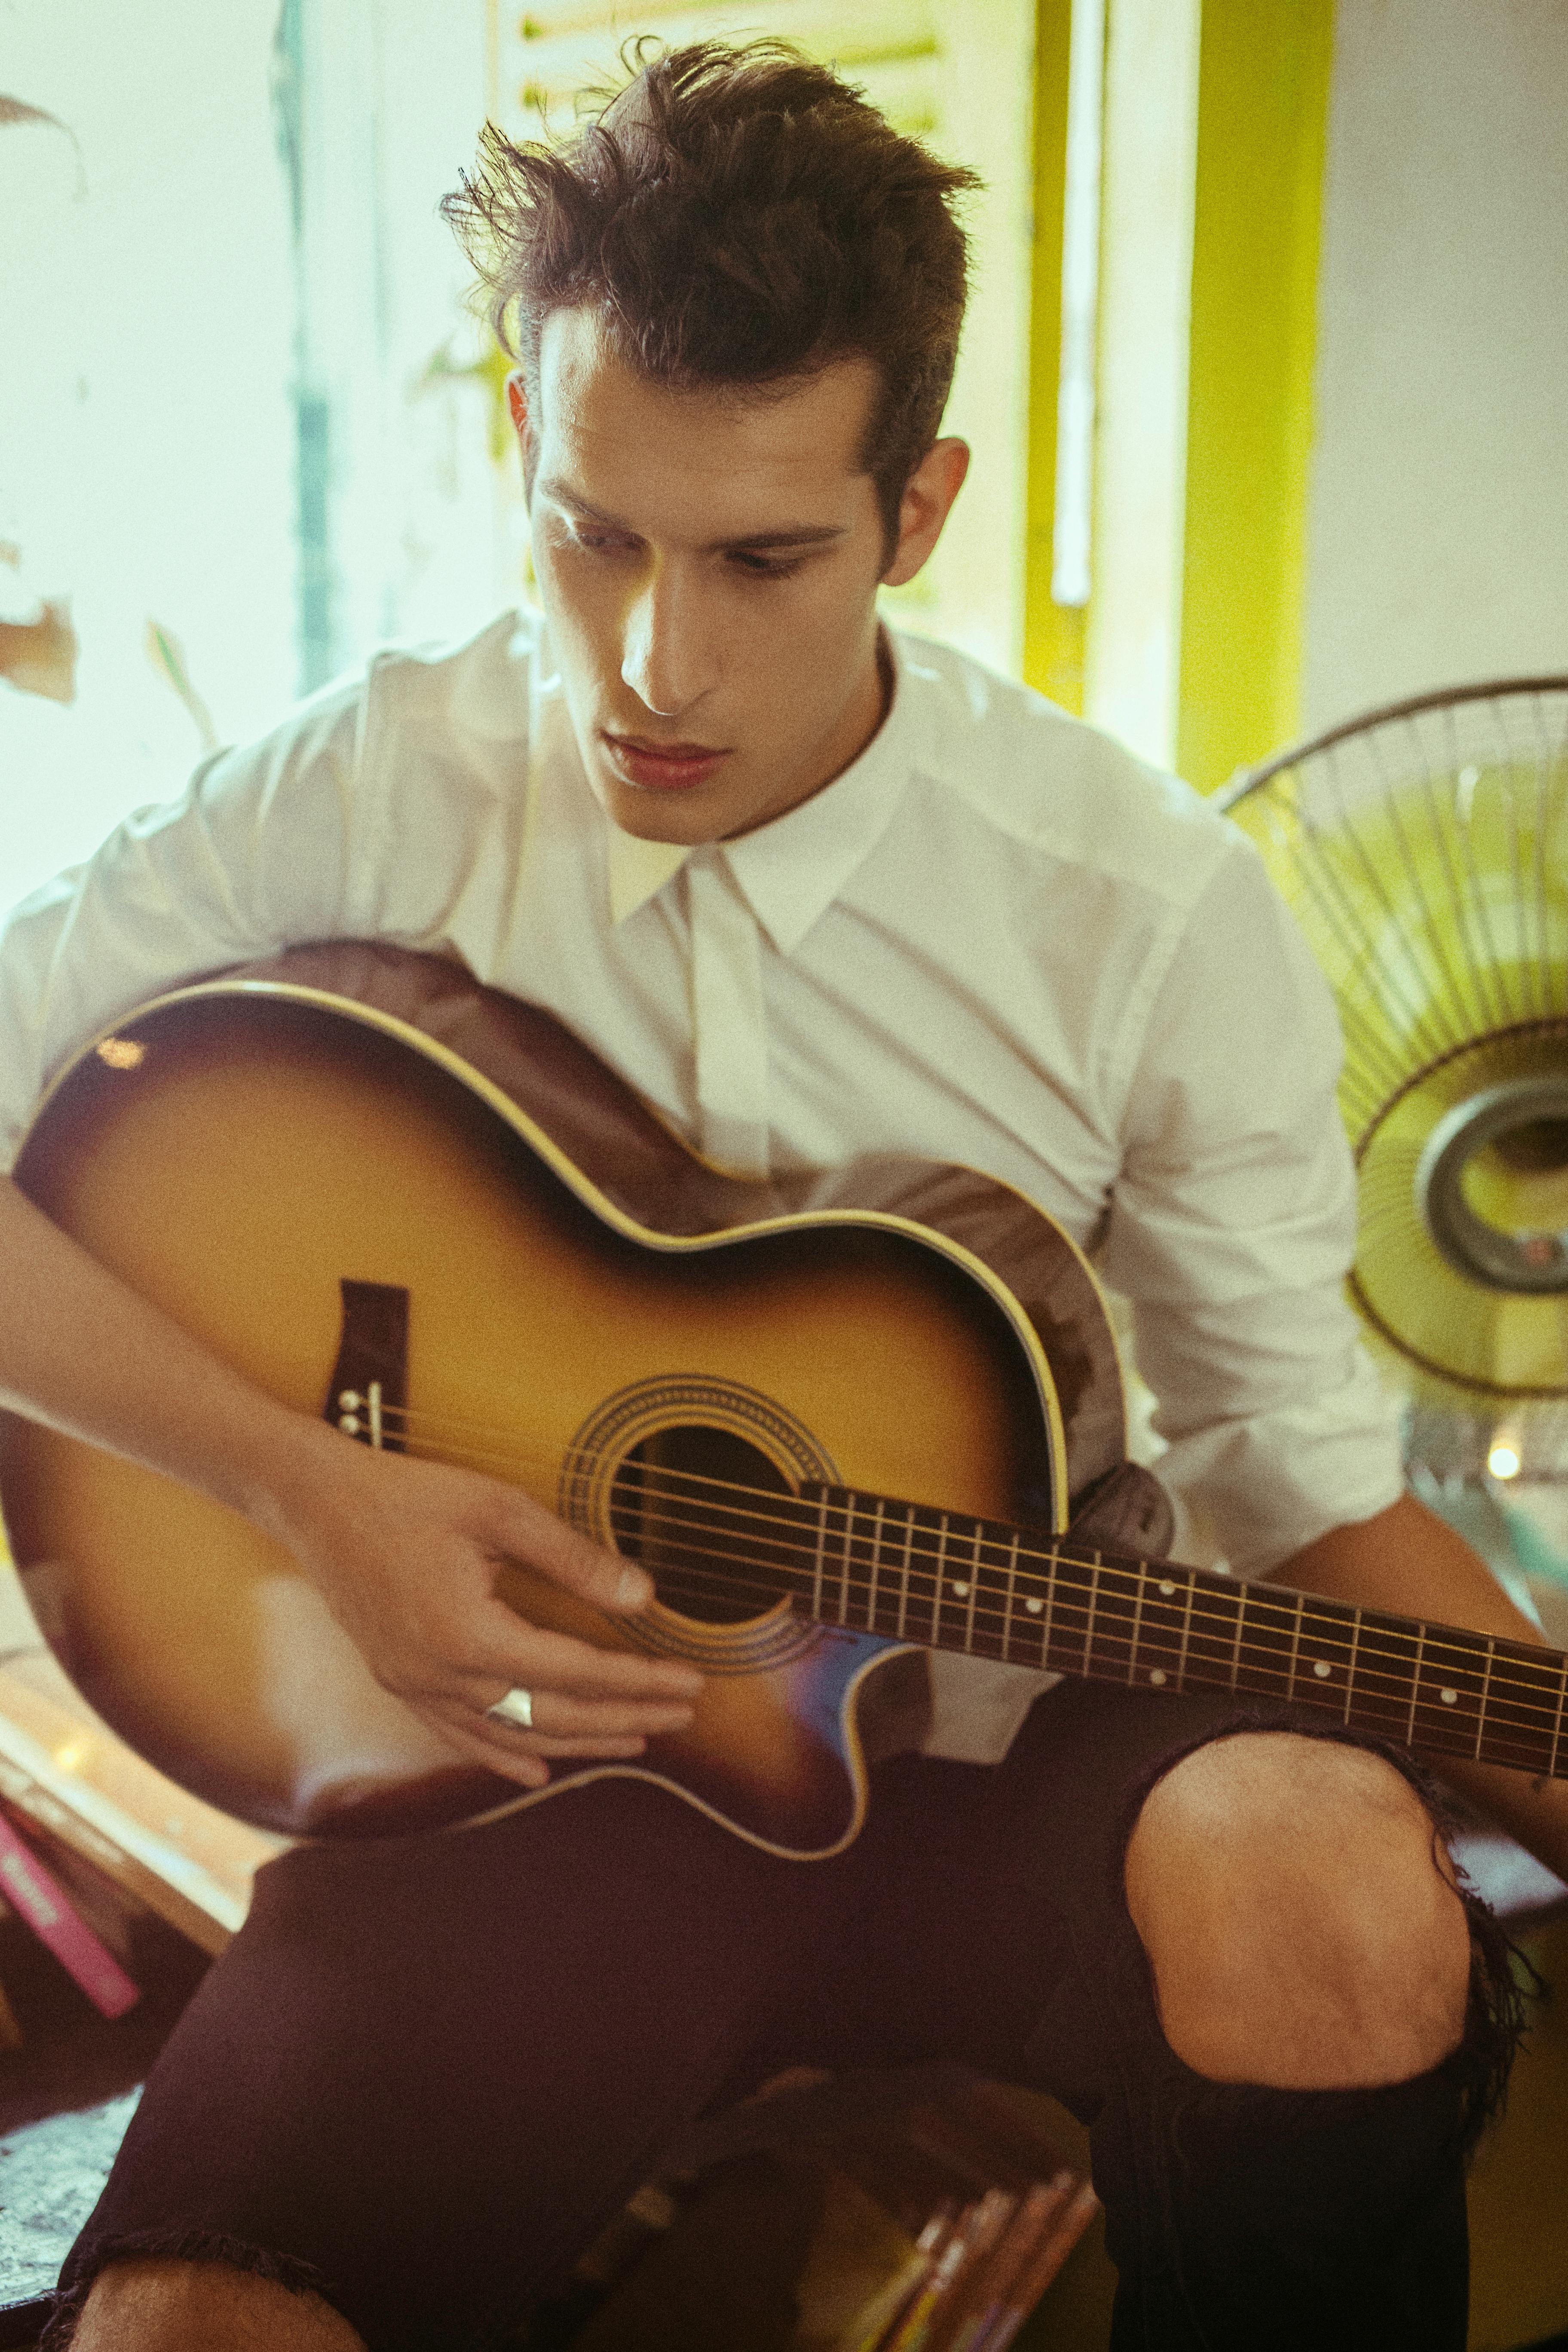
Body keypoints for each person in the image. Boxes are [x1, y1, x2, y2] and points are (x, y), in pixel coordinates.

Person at [0, 40, 1557, 2352]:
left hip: (1041, 1739)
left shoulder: (1138, 909)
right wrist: (309, 1496)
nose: (653, 659)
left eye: (762, 559)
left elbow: (1301, 1487)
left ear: (913, 512)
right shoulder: (371, 779)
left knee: (1319, 1868)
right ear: (521, 447)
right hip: (539, 1790)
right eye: (589, 532)